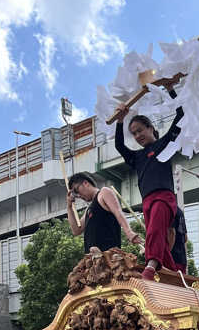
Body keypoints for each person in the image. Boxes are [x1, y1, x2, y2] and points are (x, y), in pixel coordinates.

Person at [114, 81, 183, 280]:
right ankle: (172, 272)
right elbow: (120, 146)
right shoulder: (137, 157)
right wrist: (120, 120)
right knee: (158, 236)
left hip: (164, 198)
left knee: (154, 232)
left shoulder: (164, 144)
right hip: (147, 202)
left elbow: (181, 116)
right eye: (134, 133)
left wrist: (170, 89)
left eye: (140, 130)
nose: (137, 136)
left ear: (151, 128)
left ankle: (151, 266)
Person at [67, 172, 142, 253]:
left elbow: (118, 212)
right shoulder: (89, 209)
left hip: (110, 255)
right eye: (75, 194)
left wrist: (128, 232)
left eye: (76, 190)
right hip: (93, 260)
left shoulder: (104, 193)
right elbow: (76, 231)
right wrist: (69, 207)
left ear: (85, 183)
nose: (78, 195)